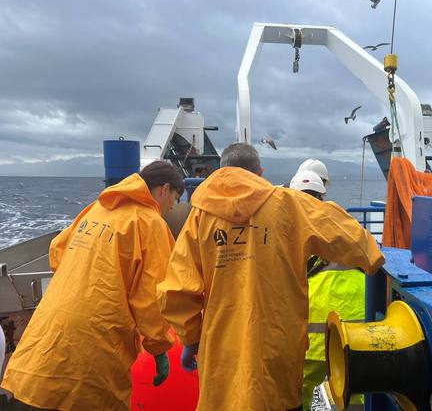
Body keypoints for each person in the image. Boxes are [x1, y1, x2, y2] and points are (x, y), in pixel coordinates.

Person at [157, 143, 385, 410]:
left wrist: (191, 339)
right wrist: (374, 261)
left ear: (221, 171)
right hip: (277, 349)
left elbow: (177, 291)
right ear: (260, 172)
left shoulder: (199, 217)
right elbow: (355, 240)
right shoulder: (290, 205)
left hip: (222, 353)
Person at [1, 161, 184, 411]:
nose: (172, 205)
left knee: (38, 393)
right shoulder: (151, 223)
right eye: (175, 197)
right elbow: (152, 297)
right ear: (164, 189)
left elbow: (58, 249)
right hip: (94, 344)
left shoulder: (98, 208)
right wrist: (159, 346)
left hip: (44, 336)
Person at [289, 171, 365, 411]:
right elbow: (372, 257)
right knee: (355, 389)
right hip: (351, 325)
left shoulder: (286, 227)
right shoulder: (342, 220)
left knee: (297, 389)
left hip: (310, 330)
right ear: (322, 196)